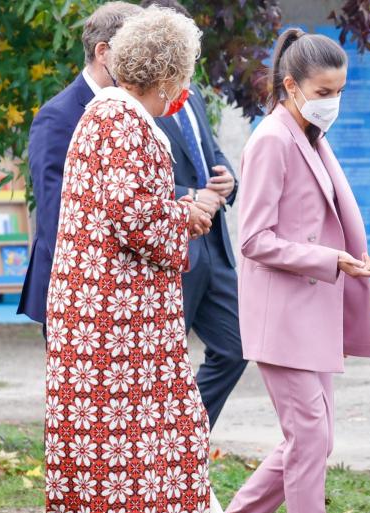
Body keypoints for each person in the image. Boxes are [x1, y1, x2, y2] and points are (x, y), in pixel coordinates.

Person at [45, 8, 246, 513]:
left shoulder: (112, 114)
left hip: (121, 318)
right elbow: (135, 220)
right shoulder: (124, 122)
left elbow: (122, 208)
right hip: (114, 323)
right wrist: (189, 216)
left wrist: (178, 207)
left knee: (157, 442)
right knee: (120, 452)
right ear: (167, 73)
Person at [223, 28, 370, 513]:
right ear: (290, 86)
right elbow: (255, 238)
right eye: (323, 90)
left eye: (340, 90)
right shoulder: (271, 141)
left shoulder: (311, 136)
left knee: (311, 443)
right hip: (283, 317)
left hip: (314, 314)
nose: (333, 101)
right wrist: (327, 260)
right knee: (310, 443)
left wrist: (338, 262)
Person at [19, 0, 143, 513]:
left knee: (119, 428)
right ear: (103, 53)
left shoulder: (137, 109)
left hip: (124, 299)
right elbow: (54, 212)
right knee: (81, 426)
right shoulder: (58, 114)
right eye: (135, 47)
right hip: (75, 294)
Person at [141, 0, 247, 437]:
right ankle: (158, 448)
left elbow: (210, 153)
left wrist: (227, 181)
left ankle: (182, 436)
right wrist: (192, 195)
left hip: (215, 246)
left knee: (237, 347)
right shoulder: (138, 101)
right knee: (163, 361)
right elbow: (138, 182)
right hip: (173, 246)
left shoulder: (194, 93)